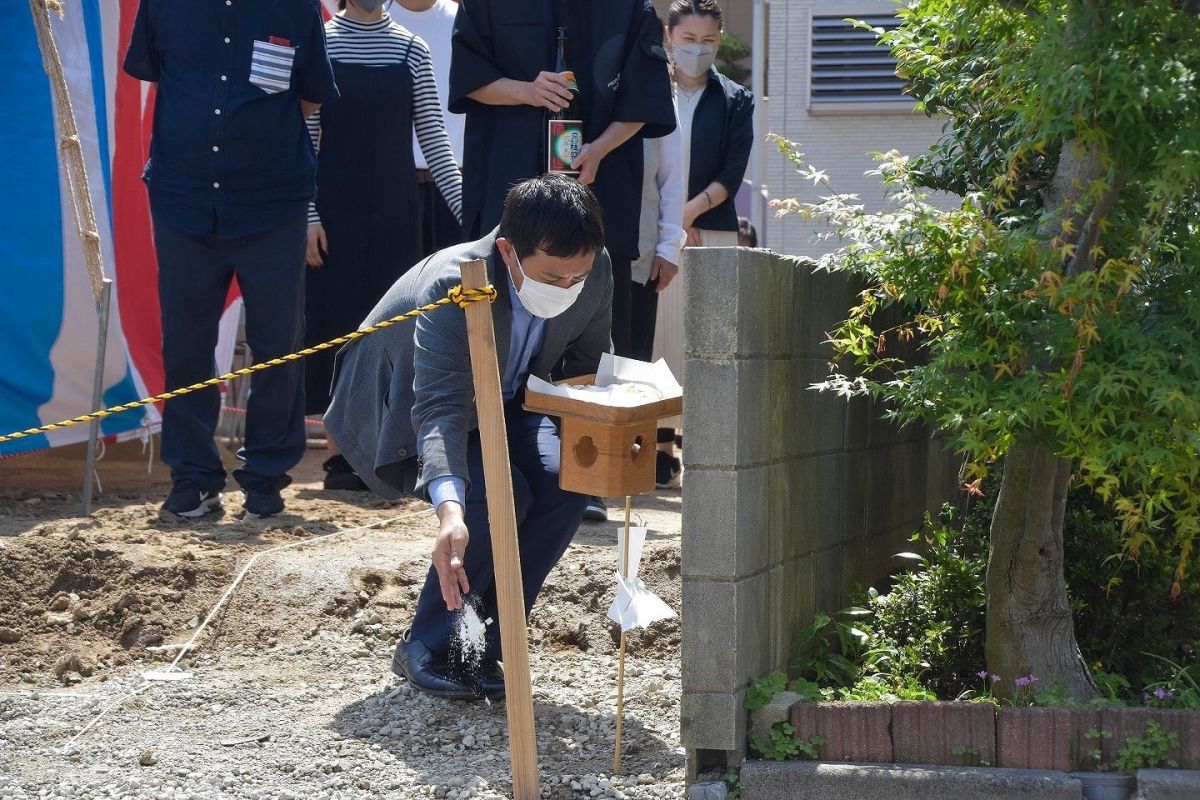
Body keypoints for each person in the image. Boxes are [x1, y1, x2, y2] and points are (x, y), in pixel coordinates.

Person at [324, 175, 612, 700]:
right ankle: (427, 645)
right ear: (508, 251)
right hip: (409, 396)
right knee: (493, 495)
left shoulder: (593, 272)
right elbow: (439, 407)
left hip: (511, 397)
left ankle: (487, 644)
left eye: (579, 277)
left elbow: (586, 368)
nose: (569, 288)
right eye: (553, 277)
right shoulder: (454, 284)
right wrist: (449, 512)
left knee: (566, 481)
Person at [450, 0, 675, 523]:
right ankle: (480, 465)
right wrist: (525, 91)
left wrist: (598, 147)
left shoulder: (630, 9)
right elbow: (467, 77)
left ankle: (586, 471)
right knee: (491, 323)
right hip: (505, 195)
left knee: (591, 334)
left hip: (596, 192)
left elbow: (644, 100)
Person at [123, 0, 337, 518]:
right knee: (187, 344)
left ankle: (265, 478)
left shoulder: (296, 10)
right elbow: (154, 75)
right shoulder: (164, 7)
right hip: (183, 198)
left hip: (272, 202)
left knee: (276, 343)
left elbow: (311, 97)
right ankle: (194, 477)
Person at [304, 0, 463, 491]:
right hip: (334, 215)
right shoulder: (323, 44)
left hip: (397, 212)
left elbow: (434, 138)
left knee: (392, 331)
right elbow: (307, 137)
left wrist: (473, 216)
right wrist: (307, 215)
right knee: (336, 328)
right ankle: (339, 457)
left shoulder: (412, 48)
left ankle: (385, 455)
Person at [652, 0, 754, 486]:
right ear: (669, 36)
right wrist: (669, 220)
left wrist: (687, 213)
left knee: (706, 340)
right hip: (652, 229)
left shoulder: (735, 100)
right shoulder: (649, 89)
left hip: (710, 230)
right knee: (656, 340)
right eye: (689, 39)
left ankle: (704, 451)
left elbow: (731, 173)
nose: (698, 49)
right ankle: (655, 449)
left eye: (708, 41)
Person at [390, 0, 466, 257]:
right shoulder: (377, 21)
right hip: (394, 185)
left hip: (456, 181)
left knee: (453, 288)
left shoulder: (463, 19)